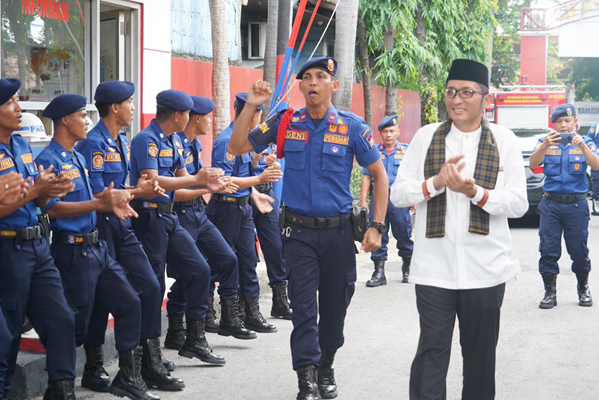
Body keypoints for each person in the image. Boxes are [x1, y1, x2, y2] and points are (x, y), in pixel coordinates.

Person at [227, 57, 388, 400]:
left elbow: (380, 175)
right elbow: (237, 146)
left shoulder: (352, 126)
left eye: (321, 77)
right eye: (308, 78)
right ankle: (307, 378)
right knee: (303, 308)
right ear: (300, 86)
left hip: (340, 234)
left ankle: (326, 363)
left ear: (334, 85)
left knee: (334, 307)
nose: (314, 82)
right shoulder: (286, 122)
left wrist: (376, 226)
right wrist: (251, 107)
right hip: (298, 234)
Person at [391, 59, 528, 400]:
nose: (457, 100)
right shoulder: (426, 138)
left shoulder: (504, 140)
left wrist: (475, 193)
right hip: (434, 269)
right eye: (451, 92)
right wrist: (436, 182)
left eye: (467, 92)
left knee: (480, 360)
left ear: (485, 97)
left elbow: (518, 203)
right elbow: (398, 194)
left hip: (486, 270)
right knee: (431, 354)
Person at [37, 93, 161, 400]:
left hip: (96, 247)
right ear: (66, 120)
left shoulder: (77, 156)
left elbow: (101, 196)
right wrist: (99, 203)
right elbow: (50, 209)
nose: (87, 121)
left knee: (130, 300)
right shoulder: (48, 161)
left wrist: (132, 191)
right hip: (71, 251)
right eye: (82, 115)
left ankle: (129, 377)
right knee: (73, 326)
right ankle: (60, 387)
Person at [75, 81, 171, 392]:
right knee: (103, 297)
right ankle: (94, 366)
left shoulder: (121, 141)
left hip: (124, 223)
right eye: (129, 102)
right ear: (114, 108)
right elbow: (101, 193)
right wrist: (137, 191)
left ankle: (146, 360)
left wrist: (141, 190)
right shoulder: (93, 143)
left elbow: (125, 188)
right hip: (102, 225)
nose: (133, 107)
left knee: (151, 285)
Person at [129, 89, 228, 375]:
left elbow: (184, 181)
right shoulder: (146, 140)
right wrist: (198, 180)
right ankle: (150, 355)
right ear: (177, 116)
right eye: (187, 113)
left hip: (169, 216)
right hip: (149, 218)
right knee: (154, 286)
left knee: (200, 269)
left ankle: (194, 338)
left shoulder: (173, 140)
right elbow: (151, 180)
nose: (190, 117)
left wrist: (207, 185)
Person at [0, 79, 79, 400]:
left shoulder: (20, 145)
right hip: (8, 247)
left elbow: (34, 198)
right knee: (8, 335)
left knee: (61, 319)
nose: (19, 108)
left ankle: (62, 391)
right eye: (10, 102)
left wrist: (50, 190)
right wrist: (35, 191)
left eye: (19, 100)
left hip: (37, 245)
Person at [164, 95, 257, 348]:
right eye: (208, 117)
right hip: (181, 215)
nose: (211, 122)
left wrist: (210, 186)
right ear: (196, 118)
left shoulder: (194, 145)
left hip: (198, 213)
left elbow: (198, 183)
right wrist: (210, 188)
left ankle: (230, 317)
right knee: (189, 274)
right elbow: (175, 192)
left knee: (228, 259)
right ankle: (176, 331)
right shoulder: (176, 144)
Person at [206, 92, 283, 335]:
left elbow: (244, 175)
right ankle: (211, 314)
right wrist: (258, 180)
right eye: (257, 113)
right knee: (220, 261)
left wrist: (256, 186)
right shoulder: (226, 141)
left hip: (243, 207)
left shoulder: (247, 142)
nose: (259, 119)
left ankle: (250, 313)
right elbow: (224, 180)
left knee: (249, 261)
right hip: (225, 207)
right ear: (249, 113)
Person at [529, 104, 599, 309]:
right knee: (548, 249)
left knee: (578, 249)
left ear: (575, 122)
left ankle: (583, 288)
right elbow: (533, 163)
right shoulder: (545, 141)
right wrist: (543, 147)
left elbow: (596, 165)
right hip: (551, 203)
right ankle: (549, 292)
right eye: (559, 122)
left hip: (576, 205)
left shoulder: (585, 142)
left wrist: (583, 147)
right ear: (554, 124)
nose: (564, 125)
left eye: (568, 121)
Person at [360, 115, 413, 287]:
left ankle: (407, 265)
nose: (389, 135)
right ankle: (379, 271)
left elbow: (414, 177)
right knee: (378, 232)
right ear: (381, 134)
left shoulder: (406, 151)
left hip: (399, 199)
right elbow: (367, 177)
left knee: (403, 232)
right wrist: (363, 201)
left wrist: (414, 199)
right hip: (378, 199)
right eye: (385, 132)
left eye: (392, 131)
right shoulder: (374, 152)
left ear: (398, 132)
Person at [251, 145, 292, 319]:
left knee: (276, 247)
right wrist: (254, 161)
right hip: (247, 195)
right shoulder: (236, 140)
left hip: (267, 193)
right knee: (247, 252)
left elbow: (277, 169)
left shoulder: (266, 141)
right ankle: (247, 307)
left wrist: (272, 164)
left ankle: (280, 301)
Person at [585, 121, 599, 215]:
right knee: (597, 182)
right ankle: (596, 207)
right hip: (597, 159)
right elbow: (588, 141)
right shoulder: (596, 126)